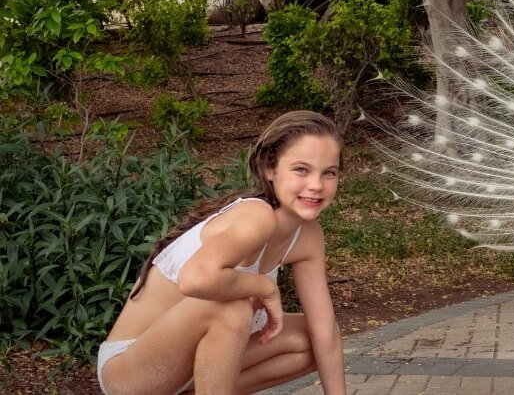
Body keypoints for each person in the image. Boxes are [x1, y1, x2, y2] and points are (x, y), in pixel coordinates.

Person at [97, 111, 347, 394]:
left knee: (311, 338)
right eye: (301, 169)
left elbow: (325, 334)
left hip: (187, 370)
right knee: (232, 306)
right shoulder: (256, 216)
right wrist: (264, 286)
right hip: (130, 372)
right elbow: (196, 279)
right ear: (270, 169)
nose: (316, 184)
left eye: (329, 172)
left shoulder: (308, 236)